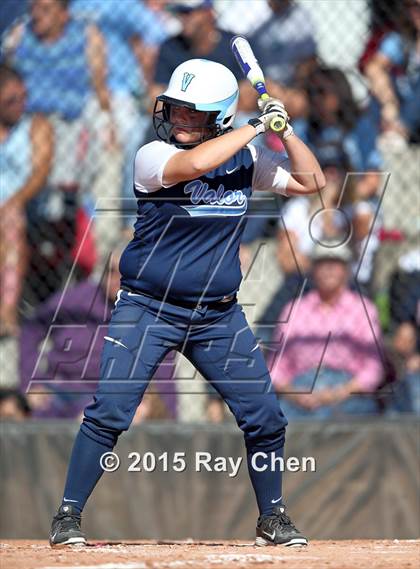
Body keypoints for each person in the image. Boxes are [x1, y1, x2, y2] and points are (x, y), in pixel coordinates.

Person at [48, 58, 325, 548]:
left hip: (217, 313)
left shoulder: (245, 160)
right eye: (175, 110)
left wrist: (285, 131)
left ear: (218, 119)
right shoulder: (152, 157)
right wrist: (257, 125)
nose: (178, 120)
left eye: (192, 114)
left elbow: (311, 182)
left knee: (265, 416)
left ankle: (272, 517)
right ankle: (68, 515)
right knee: (111, 411)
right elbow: (195, 165)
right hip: (149, 306)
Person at [270, 241, 383, 419]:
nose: (329, 269)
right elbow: (276, 368)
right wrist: (296, 394)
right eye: (322, 263)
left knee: (358, 413)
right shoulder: (295, 309)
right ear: (313, 270)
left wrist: (339, 393)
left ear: (346, 270)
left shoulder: (363, 309)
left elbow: (373, 369)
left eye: (335, 263)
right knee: (274, 417)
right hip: (300, 388)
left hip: (347, 390)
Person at [0, 64, 53, 336]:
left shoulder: (36, 125)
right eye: (11, 100)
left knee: (10, 220)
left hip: (26, 210)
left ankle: (6, 313)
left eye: (23, 97)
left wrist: (13, 202)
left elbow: (40, 174)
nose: (20, 105)